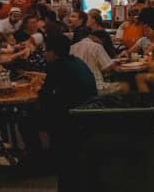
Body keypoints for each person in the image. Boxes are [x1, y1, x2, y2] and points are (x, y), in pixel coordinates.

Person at [37, 33, 97, 192]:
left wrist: (43, 127)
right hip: (89, 115)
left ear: (53, 53)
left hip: (71, 121)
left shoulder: (55, 66)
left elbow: (45, 95)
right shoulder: (77, 61)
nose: (44, 54)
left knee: (34, 117)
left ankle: (42, 160)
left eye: (45, 51)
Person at [70, 30, 129, 94]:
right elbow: (107, 68)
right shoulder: (97, 47)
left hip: (78, 87)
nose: (102, 42)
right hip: (95, 87)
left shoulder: (72, 47)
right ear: (92, 36)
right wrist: (116, 62)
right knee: (125, 85)